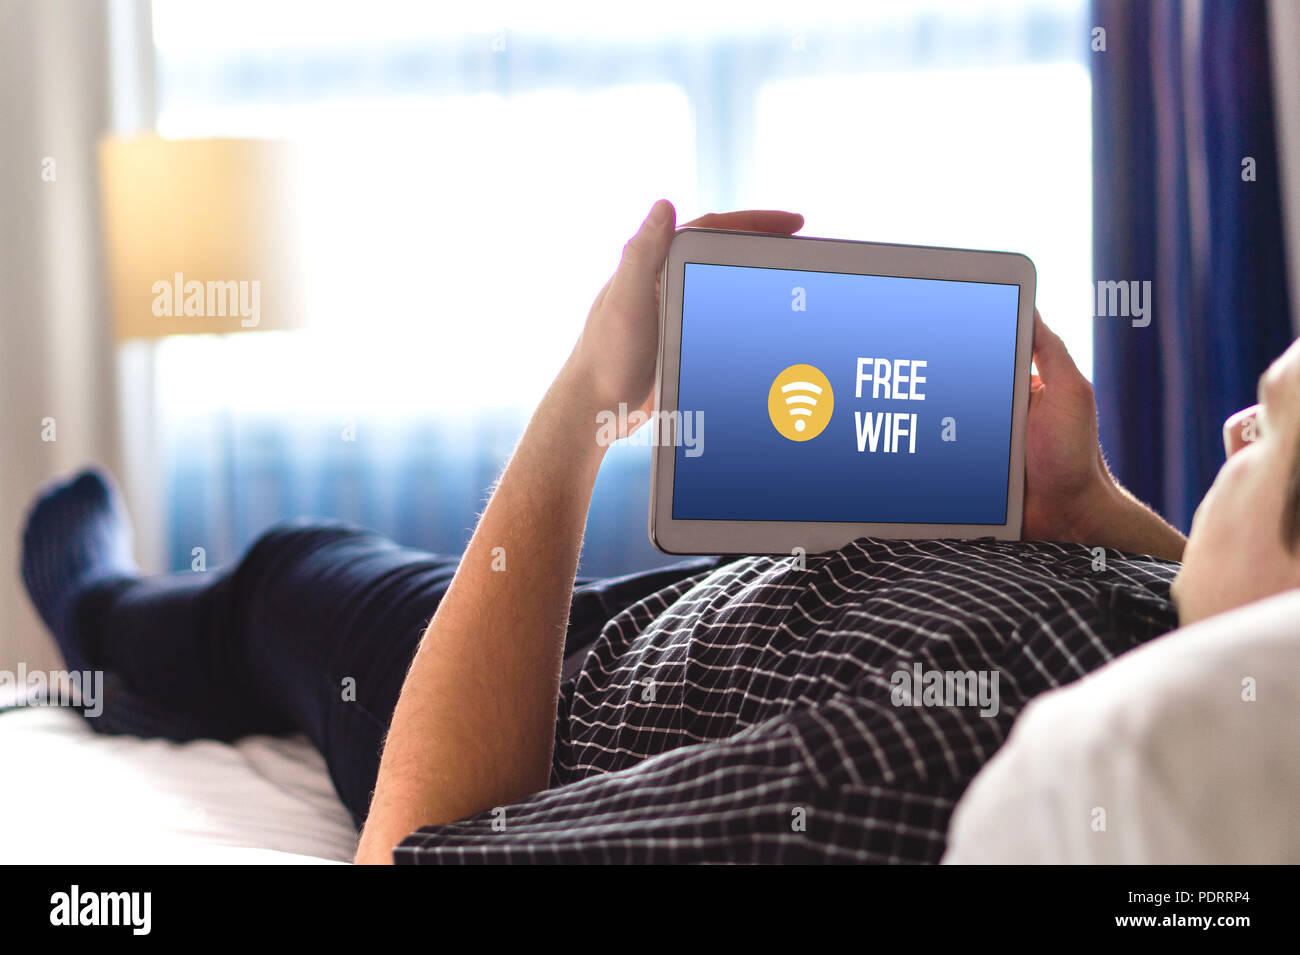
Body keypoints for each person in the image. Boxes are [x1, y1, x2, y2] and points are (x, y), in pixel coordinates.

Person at [19, 202, 1298, 864]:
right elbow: (1216, 627)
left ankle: (87, 600)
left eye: (1275, 431)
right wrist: (1086, 513)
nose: (1236, 427)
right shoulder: (1207, 653)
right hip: (641, 626)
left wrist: (581, 404)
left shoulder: (919, 759)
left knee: (279, 578)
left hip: (525, 697)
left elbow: (414, 852)